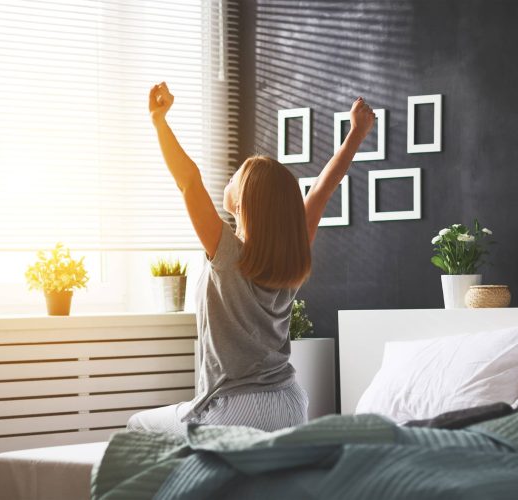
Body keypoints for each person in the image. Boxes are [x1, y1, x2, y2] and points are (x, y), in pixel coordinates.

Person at [127, 82, 376, 435]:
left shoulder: (226, 252)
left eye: (235, 176)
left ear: (244, 202)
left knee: (138, 425)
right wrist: (357, 133)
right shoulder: (294, 251)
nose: (228, 179)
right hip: (290, 403)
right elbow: (324, 186)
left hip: (234, 407)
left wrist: (159, 122)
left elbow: (189, 181)